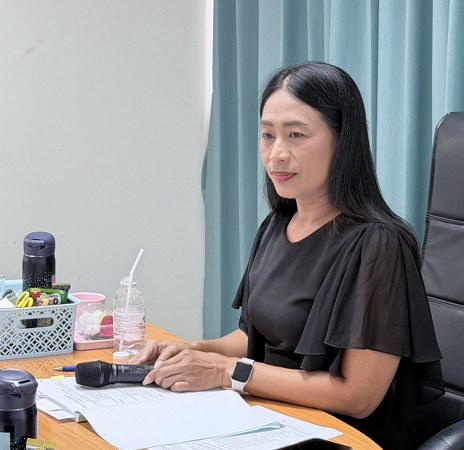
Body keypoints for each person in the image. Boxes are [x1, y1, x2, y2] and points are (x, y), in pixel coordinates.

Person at [130, 61, 443, 449]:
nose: (276, 154)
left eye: (296, 135)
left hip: (339, 436)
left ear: (342, 141)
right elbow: (255, 337)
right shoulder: (278, 224)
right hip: (268, 418)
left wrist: (227, 372)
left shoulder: (379, 244)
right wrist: (195, 351)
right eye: (267, 135)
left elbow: (358, 397)